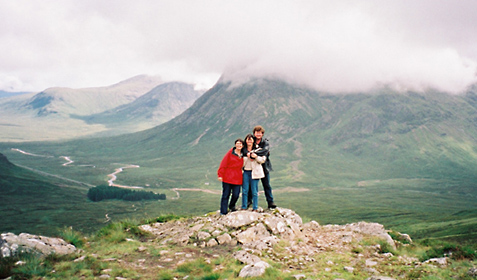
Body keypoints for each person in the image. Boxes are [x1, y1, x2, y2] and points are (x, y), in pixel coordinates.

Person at [247, 125, 277, 209]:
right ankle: (249, 201)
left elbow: (265, 151)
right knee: (251, 185)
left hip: (264, 167)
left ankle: (270, 202)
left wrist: (254, 154)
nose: (258, 134)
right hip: (253, 166)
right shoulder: (251, 140)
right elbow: (245, 148)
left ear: (262, 134)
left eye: (260, 133)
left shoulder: (265, 142)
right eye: (257, 132)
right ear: (254, 133)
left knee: (266, 185)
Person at [217, 139, 244, 215]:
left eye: (240, 144)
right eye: (237, 144)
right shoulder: (230, 153)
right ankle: (223, 211)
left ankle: (232, 206)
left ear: (243, 146)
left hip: (237, 178)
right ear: (235, 145)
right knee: (226, 195)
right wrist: (220, 174)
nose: (239, 145)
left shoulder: (243, 154)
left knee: (236, 194)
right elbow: (223, 163)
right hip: (227, 177)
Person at [241, 134, 266, 212]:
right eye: (248, 139)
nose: (249, 141)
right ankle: (244, 206)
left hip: (255, 172)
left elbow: (262, 160)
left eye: (251, 139)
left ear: (253, 141)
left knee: (254, 191)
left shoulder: (259, 150)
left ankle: (255, 207)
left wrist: (255, 157)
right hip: (246, 171)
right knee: (245, 190)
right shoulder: (243, 150)